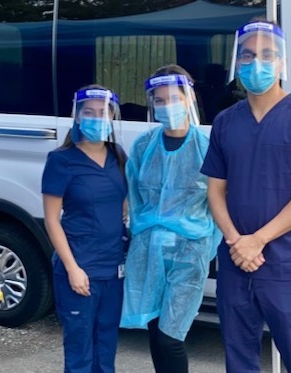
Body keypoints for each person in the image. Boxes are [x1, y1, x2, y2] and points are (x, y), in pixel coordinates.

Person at [200, 20, 291, 373]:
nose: (256, 63)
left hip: (288, 264)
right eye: (247, 56)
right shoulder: (226, 122)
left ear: (281, 63)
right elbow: (215, 190)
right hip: (237, 262)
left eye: (267, 55)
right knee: (239, 360)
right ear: (237, 63)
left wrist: (258, 240)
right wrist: (237, 242)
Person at [120, 64, 218, 373]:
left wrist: (205, 247)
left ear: (189, 98)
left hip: (190, 252)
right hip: (147, 250)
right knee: (153, 329)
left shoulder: (208, 148)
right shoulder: (143, 146)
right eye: (159, 101)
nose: (166, 106)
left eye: (173, 98)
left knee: (170, 336)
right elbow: (133, 195)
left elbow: (219, 205)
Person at [41, 85, 128, 373]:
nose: (95, 118)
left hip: (112, 270)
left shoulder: (118, 156)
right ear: (77, 117)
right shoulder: (61, 160)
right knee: (80, 351)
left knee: (106, 345)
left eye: (102, 112)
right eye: (88, 112)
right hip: (79, 268)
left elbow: (124, 204)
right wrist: (72, 268)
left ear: (112, 116)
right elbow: (52, 220)